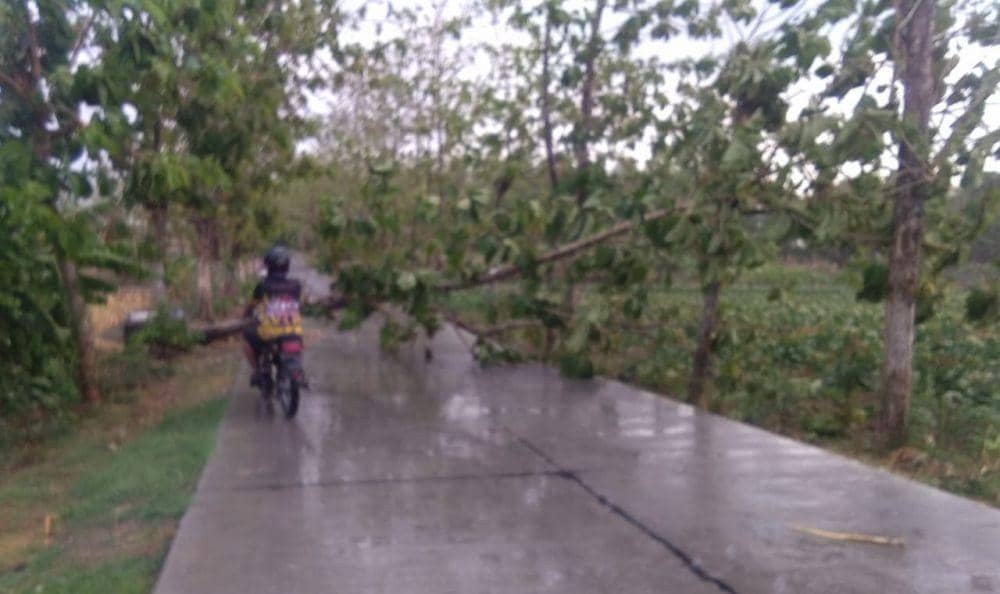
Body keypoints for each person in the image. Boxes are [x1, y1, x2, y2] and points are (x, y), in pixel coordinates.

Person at [243, 245, 304, 387]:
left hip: (269, 334)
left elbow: (251, 306)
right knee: (299, 341)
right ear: (287, 266)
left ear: (268, 266)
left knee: (247, 339)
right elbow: (300, 305)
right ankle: (297, 368)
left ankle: (257, 371)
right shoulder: (296, 286)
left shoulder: (262, 286)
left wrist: (245, 317)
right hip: (294, 332)